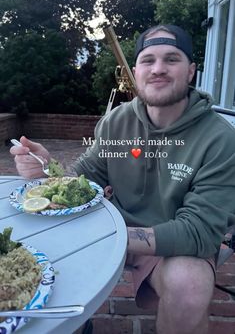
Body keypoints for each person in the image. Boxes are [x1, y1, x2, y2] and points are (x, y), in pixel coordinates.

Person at [10, 24, 235, 334]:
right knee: (31, 247)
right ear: (136, 70)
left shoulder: (219, 139)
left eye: (171, 59)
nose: (158, 69)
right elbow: (86, 175)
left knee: (190, 285)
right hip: (112, 229)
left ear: (191, 71)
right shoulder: (117, 121)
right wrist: (47, 171)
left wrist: (109, 235)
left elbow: (200, 232)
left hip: (170, 246)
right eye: (148, 60)